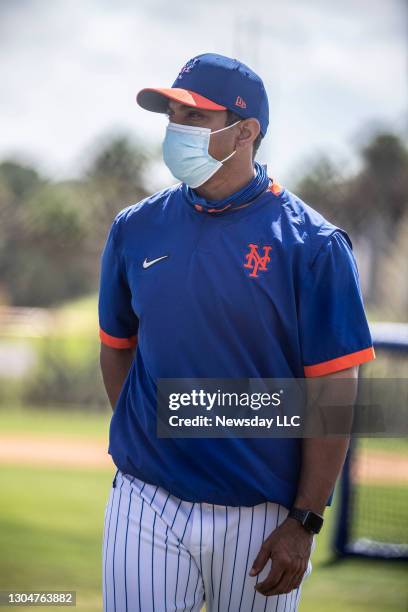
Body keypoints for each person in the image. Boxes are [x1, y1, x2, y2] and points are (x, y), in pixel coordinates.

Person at [98, 53, 375, 611]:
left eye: (194, 117)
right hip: (145, 497)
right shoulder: (134, 228)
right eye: (171, 114)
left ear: (245, 131)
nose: (176, 128)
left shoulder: (313, 246)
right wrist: (154, 436)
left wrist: (305, 519)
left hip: (264, 517)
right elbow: (116, 348)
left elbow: (333, 394)